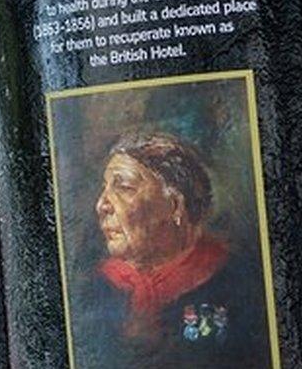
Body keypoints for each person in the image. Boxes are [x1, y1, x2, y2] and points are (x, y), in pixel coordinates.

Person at [95, 132, 228, 338]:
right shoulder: (96, 288)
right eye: (105, 188)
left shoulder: (231, 281)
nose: (102, 205)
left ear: (174, 205)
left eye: (124, 187)